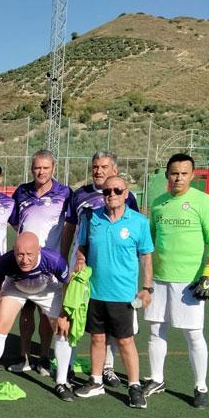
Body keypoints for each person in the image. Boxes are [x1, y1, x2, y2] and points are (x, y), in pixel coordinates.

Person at [143, 153, 209, 408]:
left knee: (193, 334)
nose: (178, 177)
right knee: (156, 330)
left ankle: (201, 386)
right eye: (174, 173)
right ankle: (156, 378)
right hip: (159, 278)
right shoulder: (158, 203)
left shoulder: (203, 201)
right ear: (167, 175)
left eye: (184, 173)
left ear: (192, 175)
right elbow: (151, 242)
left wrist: (208, 274)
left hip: (189, 280)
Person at [61, 151, 140, 388]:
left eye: (104, 166)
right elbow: (69, 228)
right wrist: (66, 259)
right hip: (83, 268)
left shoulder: (128, 196)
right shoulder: (79, 195)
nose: (99, 171)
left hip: (116, 273)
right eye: (95, 166)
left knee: (115, 323)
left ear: (114, 170)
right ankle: (67, 367)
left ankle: (108, 368)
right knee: (76, 313)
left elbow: (134, 231)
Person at [72, 176, 152, 408]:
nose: (112, 195)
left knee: (126, 341)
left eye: (117, 190)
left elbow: (146, 257)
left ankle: (135, 386)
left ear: (126, 193)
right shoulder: (92, 217)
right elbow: (83, 247)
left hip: (123, 295)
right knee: (97, 338)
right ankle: (96, 381)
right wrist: (79, 259)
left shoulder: (139, 222)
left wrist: (147, 289)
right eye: (107, 191)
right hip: (95, 292)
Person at [0, 232, 74, 401]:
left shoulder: (54, 260)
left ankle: (61, 382)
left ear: (39, 250)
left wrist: (65, 313)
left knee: (62, 330)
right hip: (16, 289)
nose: (24, 259)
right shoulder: (5, 261)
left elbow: (68, 283)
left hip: (47, 290)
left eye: (29, 254)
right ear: (14, 251)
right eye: (20, 254)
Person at [7, 150, 72, 377]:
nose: (41, 171)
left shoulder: (65, 193)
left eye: (45, 167)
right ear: (31, 168)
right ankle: (24, 356)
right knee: (26, 312)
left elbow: (69, 225)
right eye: (37, 167)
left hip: (51, 264)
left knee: (47, 314)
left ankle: (44, 357)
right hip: (24, 263)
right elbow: (15, 222)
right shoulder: (22, 192)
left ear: (53, 168)